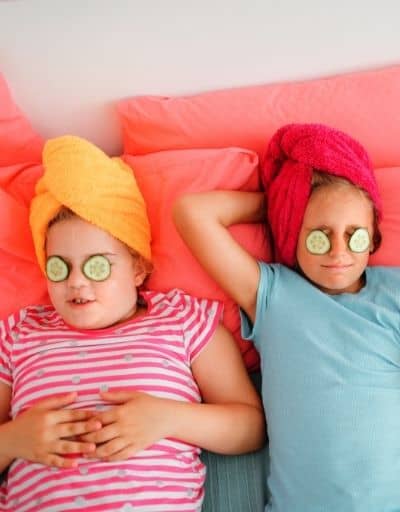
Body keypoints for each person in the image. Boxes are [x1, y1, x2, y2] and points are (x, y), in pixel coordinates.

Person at [174, 123, 400, 511]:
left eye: (355, 235)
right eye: (319, 234)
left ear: (373, 239)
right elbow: (191, 213)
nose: (338, 252)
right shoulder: (271, 293)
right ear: (292, 233)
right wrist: (281, 202)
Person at [0, 136, 265, 512]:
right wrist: (11, 440)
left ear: (138, 268)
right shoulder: (19, 334)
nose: (76, 282)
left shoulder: (181, 321)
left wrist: (168, 417)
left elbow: (250, 427)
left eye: (97, 265)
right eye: (59, 267)